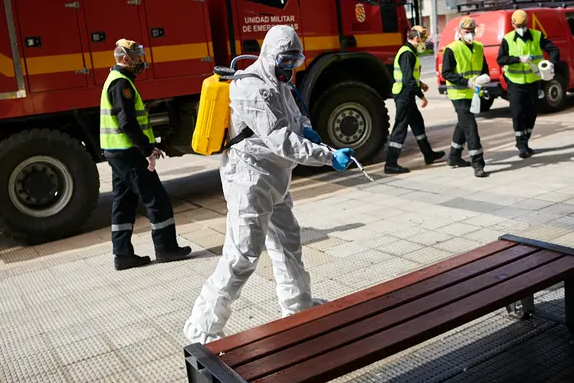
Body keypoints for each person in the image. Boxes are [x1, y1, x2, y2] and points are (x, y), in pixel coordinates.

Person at [183, 26, 356, 344]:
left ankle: (298, 306)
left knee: (288, 245)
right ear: (270, 55)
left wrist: (307, 129)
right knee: (242, 256)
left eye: (294, 61)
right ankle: (202, 329)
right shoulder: (250, 87)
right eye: (285, 60)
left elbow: (295, 118)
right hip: (249, 182)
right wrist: (328, 156)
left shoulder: (280, 84)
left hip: (275, 178)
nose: (289, 67)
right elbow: (281, 140)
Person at [100, 39, 191, 271]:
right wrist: (147, 149)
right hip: (128, 153)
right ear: (125, 59)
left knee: (124, 203)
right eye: (137, 58)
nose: (141, 62)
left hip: (117, 152)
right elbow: (127, 123)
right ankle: (166, 249)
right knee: (156, 199)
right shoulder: (122, 84)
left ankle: (123, 255)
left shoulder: (114, 79)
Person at [497, 9, 560, 158]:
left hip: (533, 82)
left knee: (531, 112)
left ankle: (525, 140)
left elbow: (554, 50)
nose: (521, 28)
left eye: (523, 25)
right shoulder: (508, 39)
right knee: (518, 112)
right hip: (515, 82)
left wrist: (551, 63)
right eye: (518, 26)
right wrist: (518, 59)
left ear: (527, 23)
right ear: (513, 24)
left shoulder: (537, 36)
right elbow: (501, 59)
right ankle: (521, 144)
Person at [385, 25, 445, 174]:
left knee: (418, 124)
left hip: (407, 94)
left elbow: (410, 77)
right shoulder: (407, 54)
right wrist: (422, 96)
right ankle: (390, 164)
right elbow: (408, 80)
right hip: (404, 95)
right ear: (417, 39)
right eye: (423, 40)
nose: (424, 43)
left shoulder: (410, 52)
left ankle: (428, 154)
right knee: (400, 128)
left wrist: (421, 84)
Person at [441, 17, 490, 178]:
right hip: (459, 93)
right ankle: (478, 163)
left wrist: (485, 78)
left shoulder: (479, 47)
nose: (470, 34)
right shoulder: (452, 49)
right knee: (470, 127)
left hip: (473, 93)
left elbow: (484, 68)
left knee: (463, 124)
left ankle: (454, 156)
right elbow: (446, 73)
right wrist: (466, 82)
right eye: (466, 31)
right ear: (460, 32)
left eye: (472, 31)